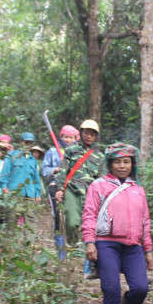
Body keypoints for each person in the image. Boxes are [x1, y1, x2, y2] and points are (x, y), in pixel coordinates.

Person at [81, 143, 153, 304]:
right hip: (106, 243)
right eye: (117, 162)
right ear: (110, 164)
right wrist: (89, 242)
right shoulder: (99, 186)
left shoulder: (138, 190)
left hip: (133, 245)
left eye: (126, 162)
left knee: (140, 288)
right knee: (111, 287)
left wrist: (148, 250)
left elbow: (145, 221)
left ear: (132, 164)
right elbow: (89, 214)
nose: (122, 166)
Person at [51, 119, 104, 278]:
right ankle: (72, 248)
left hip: (90, 193)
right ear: (81, 133)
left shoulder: (100, 155)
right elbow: (63, 170)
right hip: (72, 190)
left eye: (92, 134)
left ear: (95, 136)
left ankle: (86, 263)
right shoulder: (71, 150)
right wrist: (60, 189)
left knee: (89, 227)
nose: (89, 136)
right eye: (86, 133)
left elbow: (101, 178)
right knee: (72, 222)